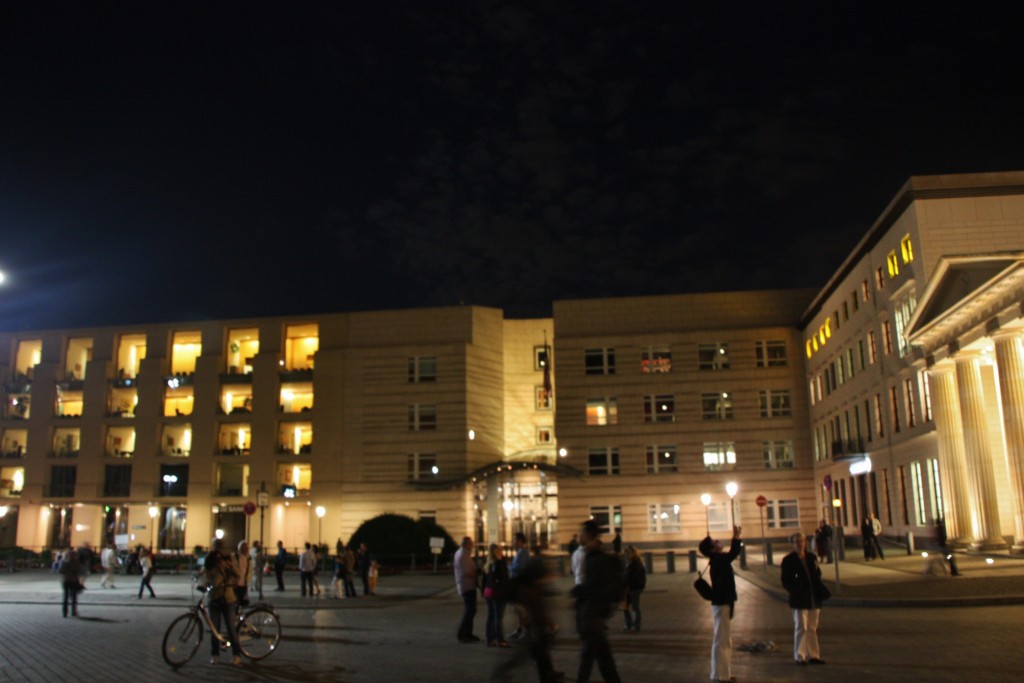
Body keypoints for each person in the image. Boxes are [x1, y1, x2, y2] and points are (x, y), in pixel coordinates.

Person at [572, 519, 622, 683]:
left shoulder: (595, 559)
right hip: (595, 618)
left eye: (582, 532)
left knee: (588, 662)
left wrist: (579, 591)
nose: (579, 535)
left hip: (591, 616)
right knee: (604, 661)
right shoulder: (592, 555)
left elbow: (594, 587)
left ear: (588, 535)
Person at [699, 524, 742, 683]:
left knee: (724, 639)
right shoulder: (718, 560)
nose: (718, 541)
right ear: (712, 549)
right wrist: (736, 537)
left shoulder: (717, 560)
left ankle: (722, 673)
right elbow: (733, 553)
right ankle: (718, 675)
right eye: (715, 541)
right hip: (722, 602)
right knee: (721, 639)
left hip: (723, 602)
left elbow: (731, 554)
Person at [781, 532, 828, 665]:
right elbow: (785, 580)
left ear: (805, 542)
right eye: (797, 542)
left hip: (813, 597)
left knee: (812, 627)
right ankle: (800, 655)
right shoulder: (788, 560)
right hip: (799, 598)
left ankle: (814, 655)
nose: (800, 544)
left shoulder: (811, 557)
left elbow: (817, 573)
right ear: (793, 544)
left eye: (801, 541)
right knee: (801, 627)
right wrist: (794, 591)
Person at [205, 538, 242, 665]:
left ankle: (236, 654)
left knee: (231, 628)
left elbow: (238, 574)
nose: (217, 549)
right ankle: (215, 654)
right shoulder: (209, 560)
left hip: (228, 598)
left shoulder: (229, 559)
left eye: (219, 546)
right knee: (215, 629)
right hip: (214, 598)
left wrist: (229, 566)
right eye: (215, 546)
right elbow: (208, 577)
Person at [454, 536, 480, 643]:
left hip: (468, 585)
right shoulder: (463, 555)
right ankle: (462, 634)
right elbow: (467, 572)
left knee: (471, 610)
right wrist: (478, 572)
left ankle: (468, 633)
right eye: (471, 543)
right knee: (470, 610)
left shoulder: (463, 553)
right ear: (466, 544)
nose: (472, 545)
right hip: (467, 585)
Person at [483, 543, 510, 647]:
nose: (502, 551)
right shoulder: (500, 562)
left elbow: (485, 580)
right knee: (498, 617)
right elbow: (504, 579)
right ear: (498, 551)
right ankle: (500, 640)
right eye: (500, 549)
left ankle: (490, 639)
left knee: (491, 616)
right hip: (498, 592)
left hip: (489, 592)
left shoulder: (488, 563)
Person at [509, 532, 529, 639]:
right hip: (518, 584)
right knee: (519, 609)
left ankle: (523, 630)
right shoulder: (520, 552)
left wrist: (510, 567)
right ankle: (520, 628)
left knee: (521, 609)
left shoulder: (523, 553)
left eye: (515, 540)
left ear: (521, 542)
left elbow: (520, 568)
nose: (513, 542)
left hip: (520, 585)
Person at [622, 545, 646, 633]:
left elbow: (633, 577)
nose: (624, 556)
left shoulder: (636, 564)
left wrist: (625, 580)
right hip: (628, 587)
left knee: (635, 607)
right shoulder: (629, 563)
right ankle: (628, 624)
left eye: (626, 554)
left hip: (634, 588)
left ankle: (636, 625)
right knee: (625, 607)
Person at [60, 549, 83, 618]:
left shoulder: (64, 562)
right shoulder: (76, 562)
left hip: (66, 580)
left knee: (66, 597)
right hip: (74, 581)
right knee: (74, 597)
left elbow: (61, 571)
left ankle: (65, 612)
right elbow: (79, 571)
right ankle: (73, 611)